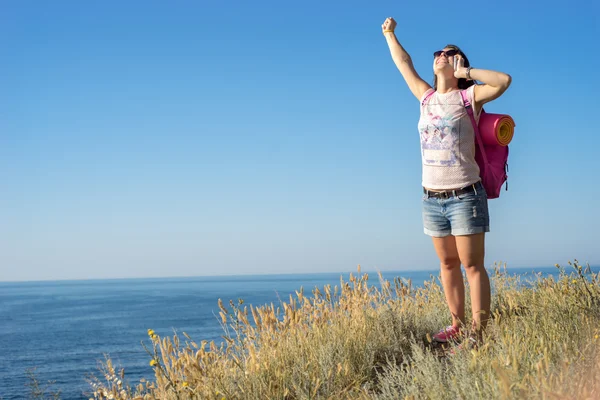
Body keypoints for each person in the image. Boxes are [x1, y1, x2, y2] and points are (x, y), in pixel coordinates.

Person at [381, 17, 512, 344]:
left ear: (460, 64)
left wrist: (465, 73)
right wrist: (389, 34)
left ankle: (479, 334)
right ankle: (456, 325)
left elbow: (503, 80)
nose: (442, 55)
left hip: (465, 195)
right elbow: (403, 63)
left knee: (472, 266)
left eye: (451, 54)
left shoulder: (469, 99)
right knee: (448, 265)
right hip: (431, 198)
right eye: (439, 52)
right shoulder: (425, 98)